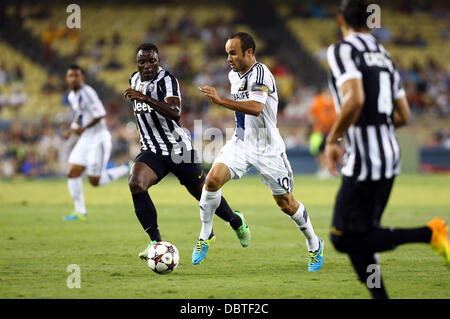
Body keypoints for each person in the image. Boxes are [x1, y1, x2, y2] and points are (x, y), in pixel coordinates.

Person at [325, 0, 449, 299]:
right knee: (363, 236)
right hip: (389, 157)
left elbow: (354, 100)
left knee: (342, 238)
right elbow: (404, 115)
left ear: (342, 20)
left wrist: (333, 139)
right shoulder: (384, 55)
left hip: (365, 160)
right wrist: (377, 125)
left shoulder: (342, 49)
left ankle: (429, 233)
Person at [194, 32, 324, 271]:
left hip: (267, 148)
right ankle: (205, 235)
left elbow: (255, 108)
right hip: (241, 142)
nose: (229, 58)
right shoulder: (234, 75)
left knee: (286, 203)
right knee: (211, 181)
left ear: (249, 52)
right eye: (227, 53)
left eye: (233, 53)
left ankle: (314, 244)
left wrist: (220, 101)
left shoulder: (261, 73)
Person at [123, 43, 249, 260]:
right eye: (142, 62)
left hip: (178, 148)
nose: (147, 66)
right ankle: (156, 243)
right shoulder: (134, 79)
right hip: (152, 150)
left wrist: (145, 98)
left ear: (158, 61)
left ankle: (236, 221)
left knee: (203, 195)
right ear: (137, 63)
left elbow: (175, 112)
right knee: (136, 183)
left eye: (151, 60)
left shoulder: (167, 80)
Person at [63, 65, 130, 221]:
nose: (73, 78)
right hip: (85, 138)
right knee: (73, 172)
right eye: (70, 75)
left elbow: (100, 114)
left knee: (95, 181)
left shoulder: (88, 93)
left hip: (98, 139)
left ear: (82, 78)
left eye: (76, 75)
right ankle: (80, 212)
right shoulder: (72, 96)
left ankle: (126, 168)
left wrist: (83, 128)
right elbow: (79, 116)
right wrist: (72, 130)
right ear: (67, 79)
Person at [307, 87, 336, 179]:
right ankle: (323, 169)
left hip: (333, 130)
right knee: (320, 151)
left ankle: (330, 169)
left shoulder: (335, 100)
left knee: (331, 150)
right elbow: (311, 114)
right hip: (319, 130)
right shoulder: (317, 100)